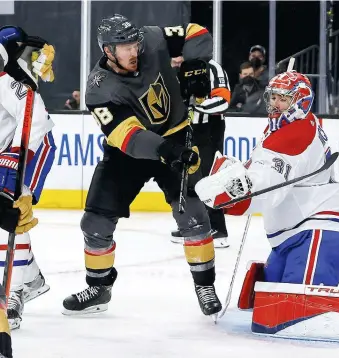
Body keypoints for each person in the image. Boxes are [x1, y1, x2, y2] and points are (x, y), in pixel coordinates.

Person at [195, 71, 339, 344]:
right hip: (293, 235)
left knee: (291, 315)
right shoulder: (286, 127)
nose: (275, 104)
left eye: (283, 99)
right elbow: (261, 173)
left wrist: (231, 200)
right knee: (268, 310)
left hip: (318, 232)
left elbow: (267, 192)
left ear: (300, 102)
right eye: (273, 97)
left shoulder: (294, 134)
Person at [61, 15, 222, 317]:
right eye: (124, 47)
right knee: (95, 222)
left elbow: (197, 32)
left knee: (194, 215)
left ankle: (205, 285)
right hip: (128, 153)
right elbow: (129, 137)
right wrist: (168, 151)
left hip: (174, 132)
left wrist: (195, 63)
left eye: (134, 43)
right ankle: (98, 288)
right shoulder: (99, 89)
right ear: (108, 51)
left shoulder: (151, 37)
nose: (133, 51)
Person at [0, 26, 56, 332]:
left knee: (12, 212)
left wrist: (17, 161)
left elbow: (35, 121)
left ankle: (13, 292)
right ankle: (31, 278)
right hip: (5, 147)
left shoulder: (7, 84)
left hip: (31, 146)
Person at [169, 39, 232, 248]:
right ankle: (194, 224)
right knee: (186, 176)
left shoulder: (214, 69)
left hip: (209, 130)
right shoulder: (181, 69)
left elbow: (223, 101)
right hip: (186, 128)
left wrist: (196, 106)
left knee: (208, 176)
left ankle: (218, 229)